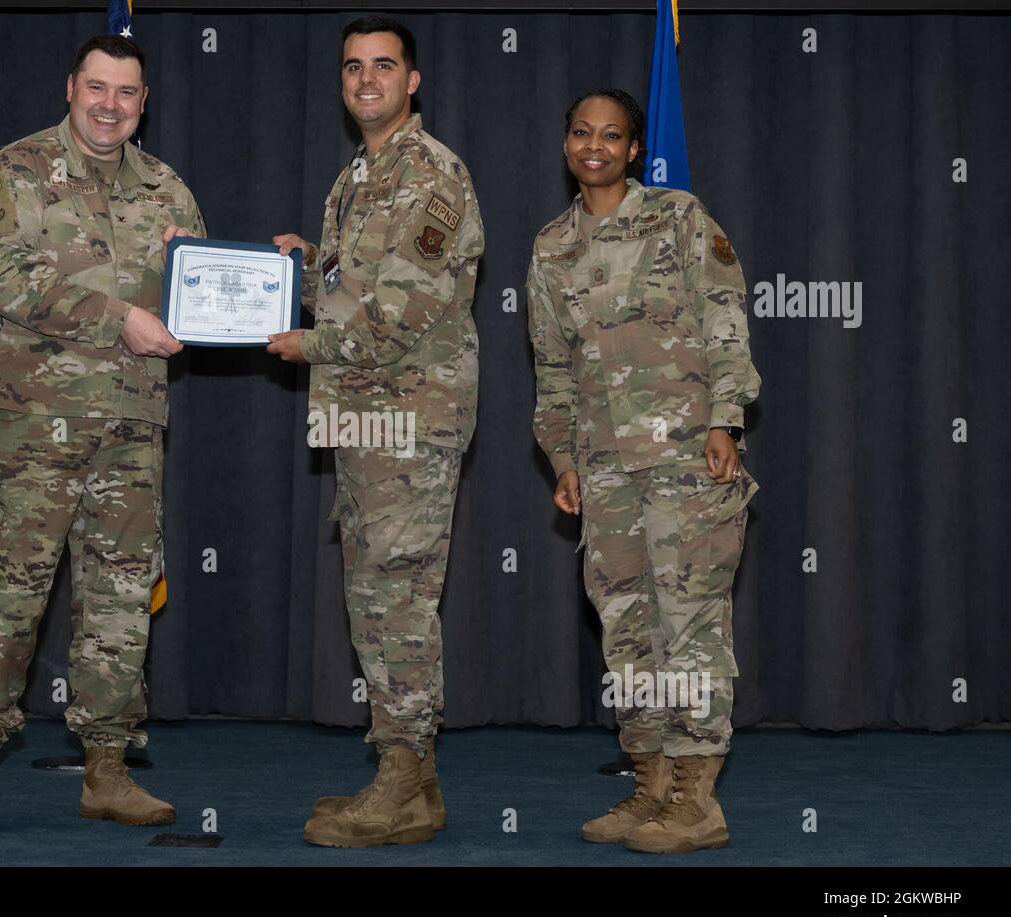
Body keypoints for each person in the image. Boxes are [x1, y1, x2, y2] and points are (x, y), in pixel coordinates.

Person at [0, 34, 205, 834]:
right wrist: (121, 316)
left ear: (143, 102)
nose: (109, 106)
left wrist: (256, 279)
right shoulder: (13, 171)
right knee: (6, 598)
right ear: (71, 87)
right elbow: (3, 277)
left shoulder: (168, 190)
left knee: (120, 604)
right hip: (30, 432)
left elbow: (197, 291)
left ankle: (108, 768)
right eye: (97, 88)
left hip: (130, 429)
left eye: (126, 93)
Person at [268, 15, 484, 848]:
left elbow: (402, 312)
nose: (366, 80)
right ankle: (411, 782)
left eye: (383, 66)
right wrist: (309, 260)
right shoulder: (359, 174)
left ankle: (402, 778)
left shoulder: (430, 173)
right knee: (376, 598)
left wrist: (305, 341)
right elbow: (360, 284)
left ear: (412, 80)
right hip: (366, 419)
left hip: (407, 418)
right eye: (353, 66)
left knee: (395, 600)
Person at [528, 89, 760, 853]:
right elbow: (553, 372)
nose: (595, 146)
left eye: (612, 136)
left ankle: (698, 800)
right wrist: (563, 459)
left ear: (634, 149)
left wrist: (727, 419)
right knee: (628, 631)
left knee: (688, 627)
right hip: (605, 471)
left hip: (689, 456)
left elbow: (725, 316)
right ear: (567, 143)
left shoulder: (679, 217)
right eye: (581, 133)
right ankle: (650, 785)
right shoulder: (550, 248)